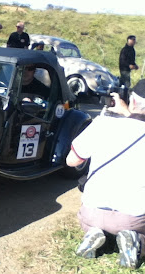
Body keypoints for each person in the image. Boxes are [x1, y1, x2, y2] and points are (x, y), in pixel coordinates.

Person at [66, 81, 145, 268]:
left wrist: (126, 113)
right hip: (133, 217)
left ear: (131, 101)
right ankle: (136, 240)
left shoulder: (102, 123)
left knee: (92, 219)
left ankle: (94, 232)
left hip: (92, 212)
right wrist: (129, 113)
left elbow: (71, 161)